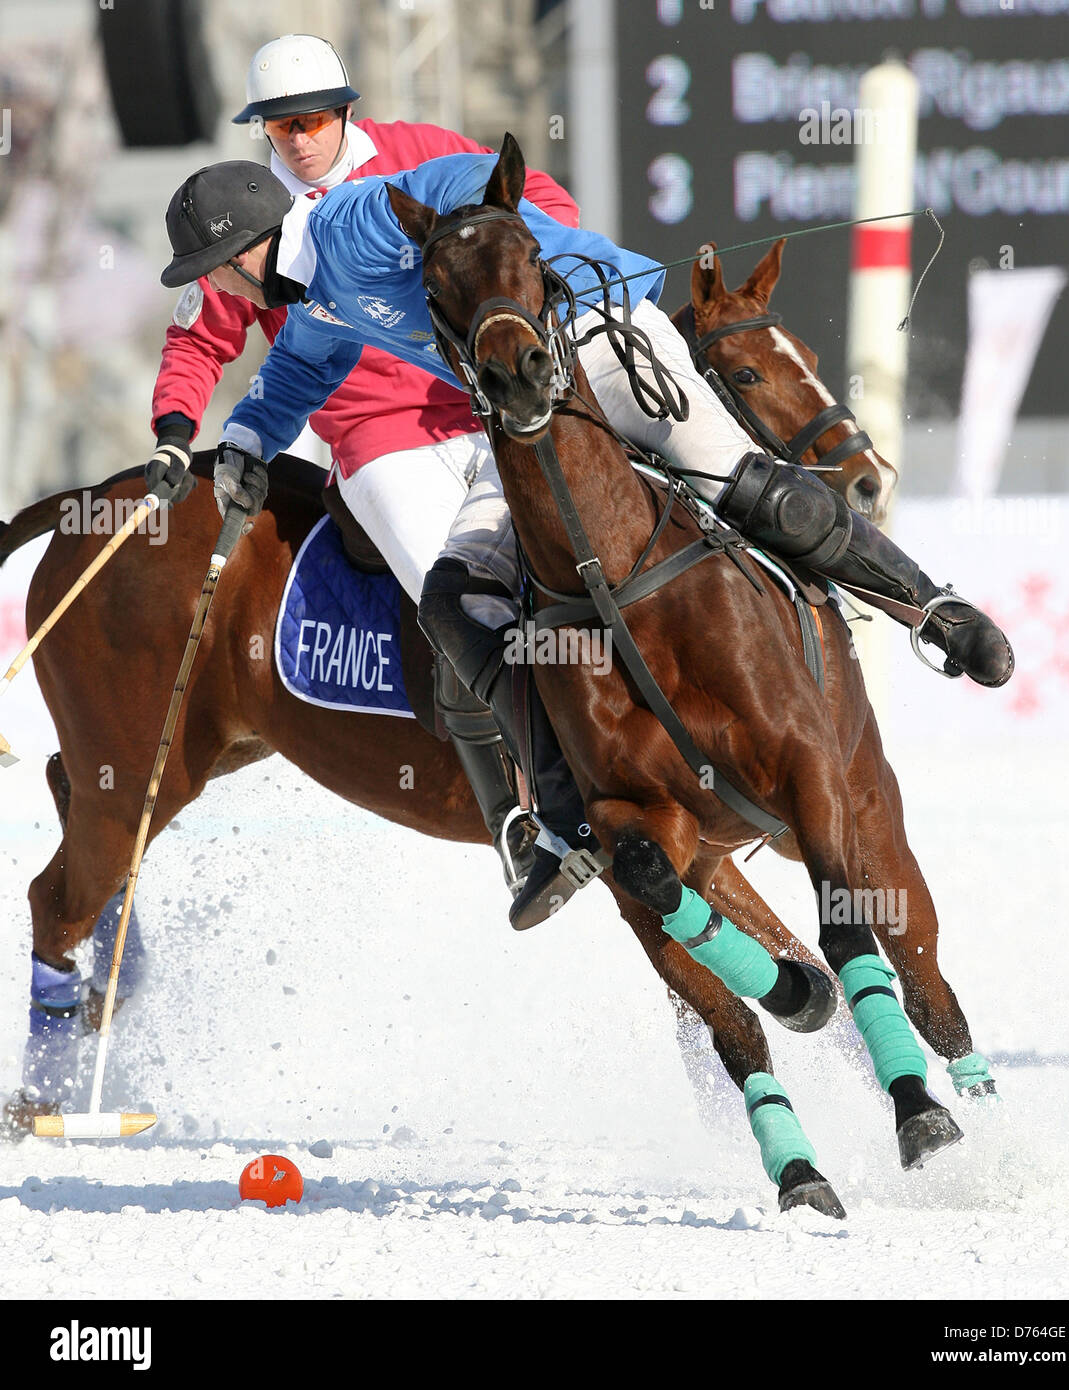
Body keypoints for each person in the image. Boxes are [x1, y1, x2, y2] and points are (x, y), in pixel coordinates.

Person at [157, 145, 1014, 929]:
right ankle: (557, 811)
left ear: (244, 252)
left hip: (602, 339)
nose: (219, 293)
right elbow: (300, 366)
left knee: (755, 491)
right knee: (454, 603)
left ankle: (934, 611)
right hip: (522, 413)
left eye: (212, 273)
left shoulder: (351, 218)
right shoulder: (317, 295)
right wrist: (241, 442)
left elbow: (456, 179)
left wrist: (511, 224)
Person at [147, 34, 581, 905]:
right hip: (377, 445)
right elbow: (199, 337)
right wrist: (171, 430)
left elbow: (532, 192)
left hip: (489, 405)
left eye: (311, 119)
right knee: (457, 599)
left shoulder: (418, 151)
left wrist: (529, 268)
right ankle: (521, 820)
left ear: (345, 112)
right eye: (279, 126)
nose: (298, 140)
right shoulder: (249, 212)